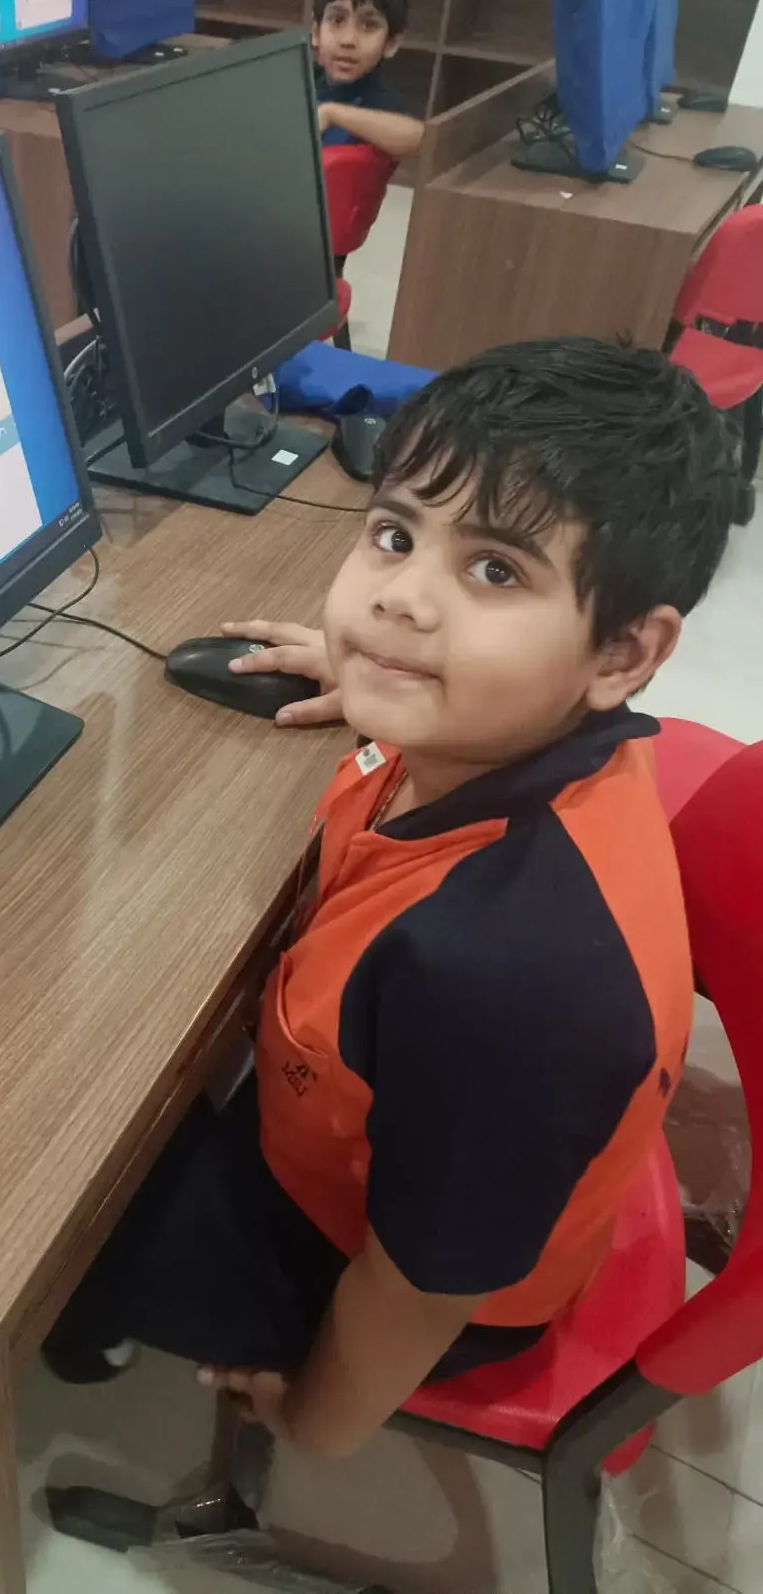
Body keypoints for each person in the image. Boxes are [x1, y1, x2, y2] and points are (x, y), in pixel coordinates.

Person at [43, 338, 737, 1461]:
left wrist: (315, 1421)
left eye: (496, 572)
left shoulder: (508, 984)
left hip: (381, 1260)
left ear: (621, 654)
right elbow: (434, 641)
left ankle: (103, 1331)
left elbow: (419, 1289)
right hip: (384, 1149)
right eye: (395, 535)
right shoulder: (523, 739)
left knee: (61, 1228)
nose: (401, 598)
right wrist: (375, 674)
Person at [313, 0, 425, 158]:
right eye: (337, 20)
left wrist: (331, 114)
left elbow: (417, 137)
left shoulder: (380, 99)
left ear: (391, 43)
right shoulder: (302, 78)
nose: (348, 40)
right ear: (316, 33)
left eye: (368, 25)